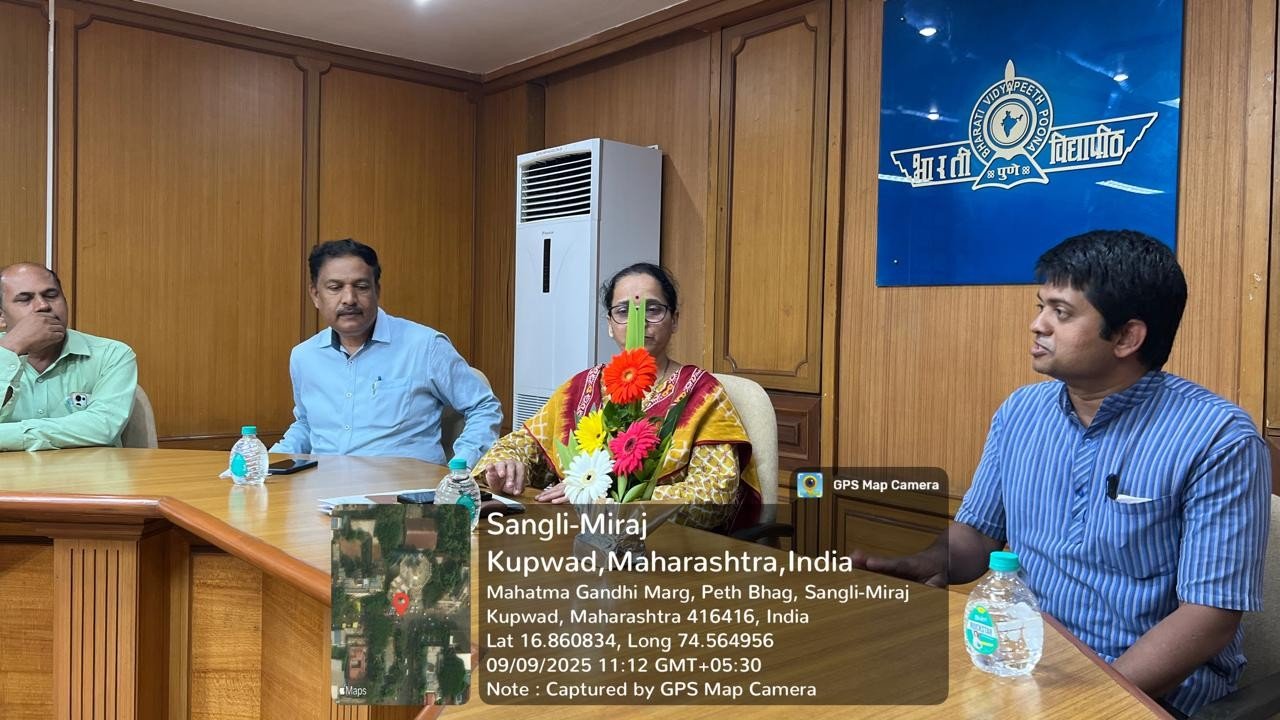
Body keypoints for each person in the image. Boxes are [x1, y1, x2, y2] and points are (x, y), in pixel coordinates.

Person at [851, 230, 1270, 717]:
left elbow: (1209, 616)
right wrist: (922, 562)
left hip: (1148, 694)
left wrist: (1090, 705)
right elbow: (978, 536)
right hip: (1024, 666)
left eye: (1061, 312)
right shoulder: (1021, 412)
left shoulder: (1218, 438)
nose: (1037, 325)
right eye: (1041, 307)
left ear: (1127, 337)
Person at [476, 263, 762, 530]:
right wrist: (506, 466)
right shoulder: (582, 387)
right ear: (610, 324)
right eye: (624, 311)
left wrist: (608, 501)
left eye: (653, 310)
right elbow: (518, 446)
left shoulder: (701, 393)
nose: (639, 321)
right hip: (575, 535)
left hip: (665, 543)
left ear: (674, 320)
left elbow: (715, 493)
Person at [273, 239, 501, 466]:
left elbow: (483, 407)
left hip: (406, 487)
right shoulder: (304, 357)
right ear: (315, 295)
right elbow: (307, 424)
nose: (349, 299)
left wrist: (461, 467)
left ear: (377, 291)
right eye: (335, 287)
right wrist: (267, 461)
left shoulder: (425, 346)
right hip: (322, 485)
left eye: (361, 287)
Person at [0, 262, 138, 451]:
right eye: (25, 299)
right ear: (1, 316)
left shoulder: (112, 354)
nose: (43, 306)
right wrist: (9, 349)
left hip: (88, 469)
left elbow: (102, 428)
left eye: (51, 295)